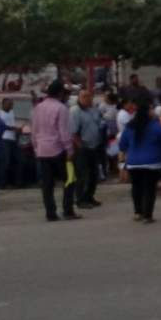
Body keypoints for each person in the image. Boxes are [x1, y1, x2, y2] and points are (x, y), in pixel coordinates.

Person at [120, 95, 161, 222]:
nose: (153, 111)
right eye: (151, 109)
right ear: (147, 111)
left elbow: (122, 145)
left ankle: (138, 212)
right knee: (150, 189)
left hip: (133, 163)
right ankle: (148, 215)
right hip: (152, 162)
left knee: (136, 187)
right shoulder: (156, 126)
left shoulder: (130, 127)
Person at [33, 80, 77, 221]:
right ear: (60, 93)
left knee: (47, 184)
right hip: (58, 149)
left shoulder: (38, 107)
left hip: (42, 150)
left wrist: (36, 147)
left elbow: (34, 130)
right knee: (69, 180)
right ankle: (68, 210)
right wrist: (69, 150)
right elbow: (63, 132)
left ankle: (50, 213)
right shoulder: (61, 108)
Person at [70, 89, 102, 209]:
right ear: (79, 98)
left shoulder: (93, 110)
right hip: (82, 147)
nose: (87, 99)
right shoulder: (75, 111)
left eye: (89, 96)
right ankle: (80, 199)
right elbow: (73, 132)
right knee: (82, 175)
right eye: (84, 96)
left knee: (94, 174)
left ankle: (89, 196)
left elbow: (98, 123)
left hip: (94, 146)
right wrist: (80, 146)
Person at [0, 97, 21, 188]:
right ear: (3, 104)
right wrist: (13, 128)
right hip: (4, 139)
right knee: (5, 162)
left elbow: (12, 123)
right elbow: (0, 126)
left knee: (17, 161)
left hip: (13, 139)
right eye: (9, 104)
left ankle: (16, 182)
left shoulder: (11, 112)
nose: (11, 106)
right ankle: (2, 183)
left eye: (12, 104)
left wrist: (17, 131)